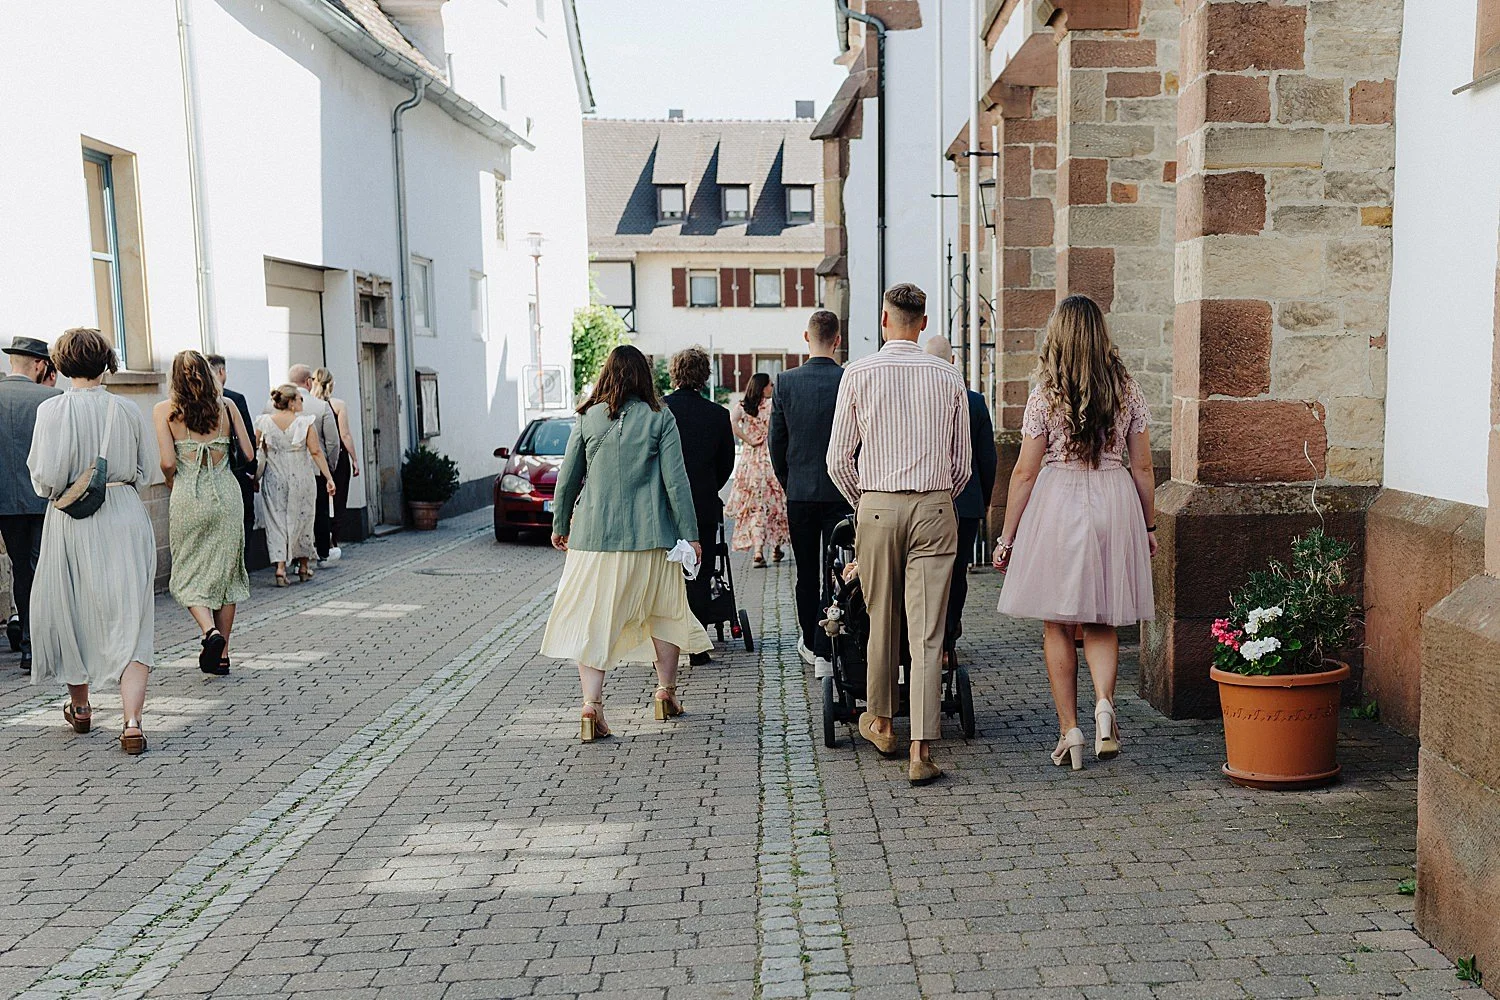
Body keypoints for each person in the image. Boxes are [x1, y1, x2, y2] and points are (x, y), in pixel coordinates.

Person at [994, 295, 1157, 771]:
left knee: (1058, 623)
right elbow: (1143, 467)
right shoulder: (1127, 390)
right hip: (1114, 499)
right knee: (1102, 618)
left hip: (1058, 505)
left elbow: (1024, 472)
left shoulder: (1046, 393)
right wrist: (1148, 525)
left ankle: (1071, 730)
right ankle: (1104, 706)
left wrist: (1007, 537)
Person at [827, 283, 971, 786]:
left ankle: (883, 724)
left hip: (877, 507)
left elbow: (837, 459)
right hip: (934, 505)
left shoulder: (858, 373)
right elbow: (962, 464)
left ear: (884, 320)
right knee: (928, 632)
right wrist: (936, 498)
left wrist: (865, 502)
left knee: (880, 619)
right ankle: (921, 750)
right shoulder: (948, 375)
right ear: (923, 323)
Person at [540, 345, 710, 742]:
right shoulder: (659, 417)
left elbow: (568, 477)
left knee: (593, 618)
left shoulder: (587, 417)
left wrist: (560, 524)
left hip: (593, 538)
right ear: (644, 377)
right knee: (665, 612)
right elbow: (676, 481)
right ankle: (665, 692)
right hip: (651, 537)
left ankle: (591, 705)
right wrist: (691, 534)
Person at [27, 328, 158, 754]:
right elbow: (146, 470)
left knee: (72, 607)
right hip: (123, 513)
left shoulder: (51, 411)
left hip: (70, 518)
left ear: (61, 364)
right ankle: (132, 722)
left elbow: (44, 478)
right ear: (105, 362)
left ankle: (81, 708)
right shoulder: (127, 409)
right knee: (132, 614)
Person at [153, 351, 254, 676]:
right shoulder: (227, 406)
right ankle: (222, 654)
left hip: (188, 496)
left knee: (187, 569)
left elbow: (168, 462)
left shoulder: (164, 410)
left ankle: (208, 631)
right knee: (227, 573)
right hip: (226, 495)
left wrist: (171, 480)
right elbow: (248, 453)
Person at [769, 310, 850, 679]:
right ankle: (831, 638)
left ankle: (810, 639)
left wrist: (790, 481)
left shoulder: (785, 382)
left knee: (805, 571)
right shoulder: (848, 379)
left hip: (800, 491)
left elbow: (776, 442)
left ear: (807, 337)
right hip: (840, 490)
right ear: (837, 339)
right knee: (838, 568)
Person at [923, 335, 998, 652]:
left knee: (926, 571)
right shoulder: (975, 402)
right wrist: (985, 500)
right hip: (966, 502)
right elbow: (987, 458)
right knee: (956, 573)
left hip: (927, 498)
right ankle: (948, 639)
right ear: (952, 361)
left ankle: (928, 637)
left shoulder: (919, 400)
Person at [661, 346, 734, 665]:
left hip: (664, 506)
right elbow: (726, 464)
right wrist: (706, 486)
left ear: (674, 373)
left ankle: (666, 645)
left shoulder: (658, 410)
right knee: (700, 574)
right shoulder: (717, 414)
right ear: (705, 376)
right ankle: (698, 646)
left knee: (665, 575)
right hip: (703, 504)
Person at [0, 336, 61, 668]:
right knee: (41, 571)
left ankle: (29, 645)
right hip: (42, 498)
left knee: (22, 570)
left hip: (5, 502)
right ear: (39, 364)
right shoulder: (52, 399)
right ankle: (36, 644)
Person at [255, 385, 336, 586]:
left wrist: (255, 477)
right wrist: (328, 478)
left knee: (276, 521)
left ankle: (280, 568)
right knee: (303, 519)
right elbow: (316, 452)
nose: (302, 402)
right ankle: (303, 566)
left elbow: (258, 450)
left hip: (274, 478)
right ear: (291, 402)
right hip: (301, 477)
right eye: (300, 398)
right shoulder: (304, 423)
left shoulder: (264, 422)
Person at [265, 365, 340, 562]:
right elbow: (331, 443)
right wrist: (330, 471)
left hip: (276, 473)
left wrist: (258, 474)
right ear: (308, 381)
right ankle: (313, 557)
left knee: (280, 518)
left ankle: (282, 561)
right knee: (310, 515)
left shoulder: (268, 409)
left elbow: (262, 447)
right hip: (309, 471)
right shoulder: (320, 407)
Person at [724, 373, 790, 567]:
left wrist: (748, 439)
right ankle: (776, 547)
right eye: (770, 385)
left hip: (751, 462)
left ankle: (758, 551)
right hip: (770, 460)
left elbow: (732, 422)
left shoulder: (743, 406)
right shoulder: (771, 406)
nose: (772, 387)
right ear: (763, 387)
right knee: (775, 505)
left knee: (755, 507)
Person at [309, 368, 361, 561]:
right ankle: (333, 540)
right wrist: (354, 459)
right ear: (331, 384)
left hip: (314, 460)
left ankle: (317, 541)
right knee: (338, 500)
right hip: (336, 458)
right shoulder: (337, 405)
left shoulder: (306, 405)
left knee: (318, 501)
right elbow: (344, 435)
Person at [206, 354, 256, 539]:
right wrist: (252, 470)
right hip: (235, 470)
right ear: (221, 371)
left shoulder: (190, 402)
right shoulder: (234, 399)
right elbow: (248, 436)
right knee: (245, 519)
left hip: (204, 474)